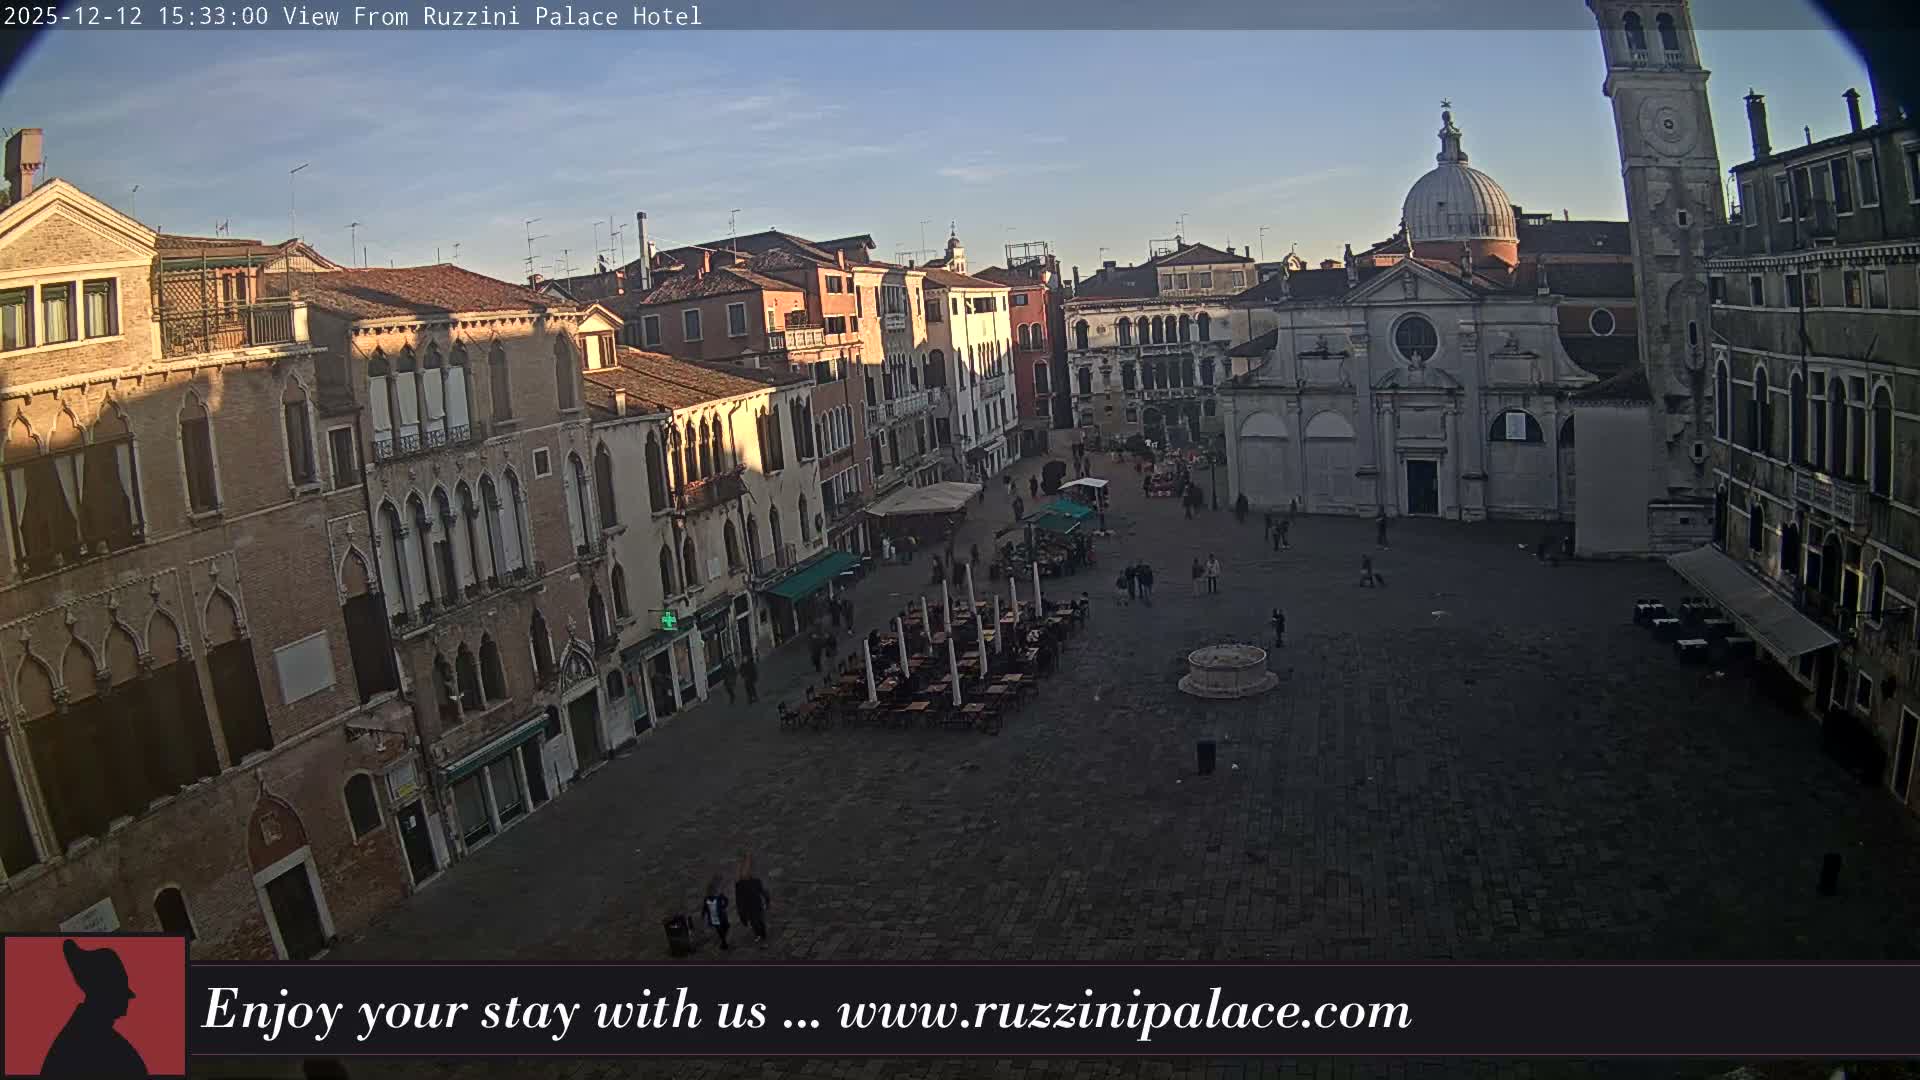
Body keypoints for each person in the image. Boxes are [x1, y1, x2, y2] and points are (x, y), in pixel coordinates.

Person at [41, 939, 149, 1077]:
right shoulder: (89, 1042)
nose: (126, 1001)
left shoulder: (82, 1034)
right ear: (105, 994)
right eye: (119, 992)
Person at [734, 855, 772, 945]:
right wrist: (741, 914)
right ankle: (758, 934)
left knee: (759, 921)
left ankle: (762, 935)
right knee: (754, 923)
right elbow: (738, 900)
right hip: (748, 908)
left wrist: (767, 901)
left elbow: (763, 892)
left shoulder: (756, 881)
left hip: (757, 906)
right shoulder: (739, 885)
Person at [703, 882, 732, 950]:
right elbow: (705, 908)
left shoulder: (719, 896)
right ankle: (724, 943)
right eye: (710, 890)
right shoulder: (706, 899)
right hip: (714, 918)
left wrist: (723, 906)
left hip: (721, 916)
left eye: (712, 890)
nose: (711, 891)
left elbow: (726, 900)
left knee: (726, 927)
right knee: (720, 931)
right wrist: (703, 914)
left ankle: (723, 942)